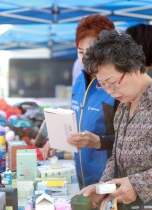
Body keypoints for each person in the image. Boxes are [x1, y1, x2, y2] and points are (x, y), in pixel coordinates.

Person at [80, 29, 152, 209]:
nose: (110, 91)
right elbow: (116, 157)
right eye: (103, 85)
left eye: (112, 82)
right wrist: (102, 189)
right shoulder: (124, 104)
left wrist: (138, 185)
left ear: (134, 68)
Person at [42, 14, 119, 189]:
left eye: (90, 52)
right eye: (80, 52)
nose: (85, 58)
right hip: (83, 178)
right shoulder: (79, 81)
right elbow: (77, 123)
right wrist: (59, 140)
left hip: (111, 182)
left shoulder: (117, 86)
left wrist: (98, 141)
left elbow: (132, 140)